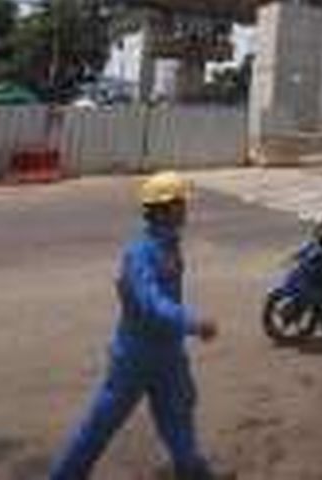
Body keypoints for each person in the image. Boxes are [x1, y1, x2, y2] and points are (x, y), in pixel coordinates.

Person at [49, 171, 227, 480]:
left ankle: (192, 472)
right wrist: (192, 322)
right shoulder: (140, 253)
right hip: (135, 356)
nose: (186, 209)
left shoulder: (170, 244)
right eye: (180, 203)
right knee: (100, 424)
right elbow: (151, 303)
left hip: (169, 353)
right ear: (163, 208)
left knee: (179, 416)